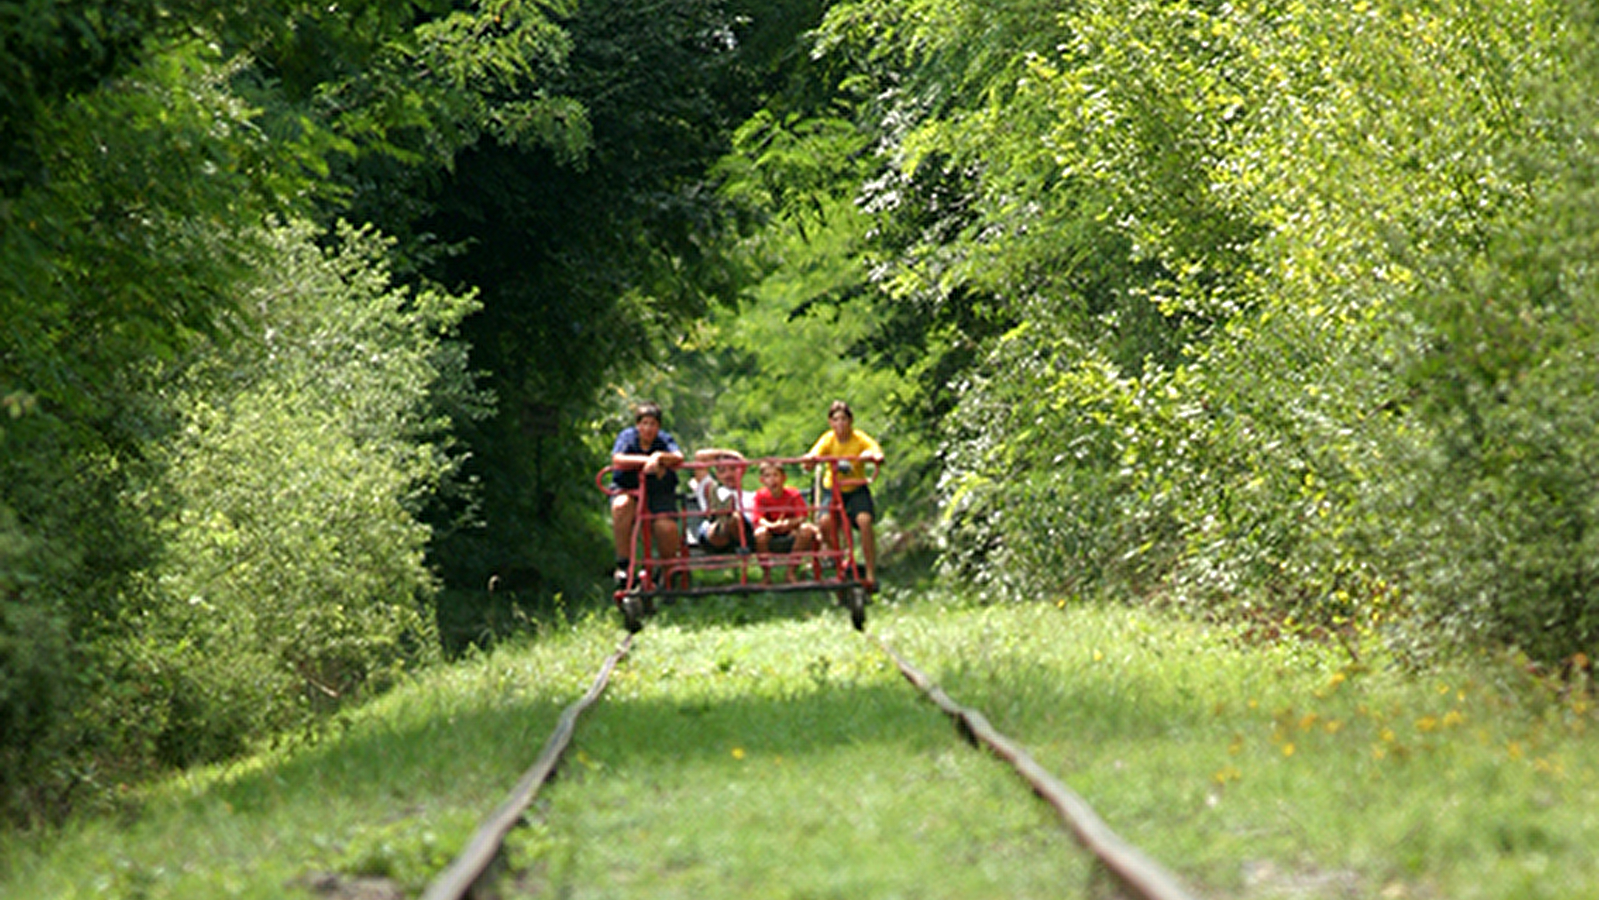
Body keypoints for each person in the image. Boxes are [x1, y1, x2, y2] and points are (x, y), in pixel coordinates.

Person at [802, 400, 884, 589]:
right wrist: (810, 460)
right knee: (824, 522)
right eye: (836, 419)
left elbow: (874, 449)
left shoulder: (858, 438)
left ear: (850, 421)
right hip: (834, 488)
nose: (840, 424)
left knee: (864, 521)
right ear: (830, 422)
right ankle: (842, 559)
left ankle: (870, 572)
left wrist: (871, 456)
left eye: (844, 419)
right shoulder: (828, 439)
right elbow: (813, 454)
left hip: (855, 488)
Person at [610, 402, 683, 587]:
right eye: (644, 423)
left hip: (659, 493)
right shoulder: (627, 438)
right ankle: (624, 566)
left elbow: (679, 457)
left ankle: (668, 572)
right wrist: (647, 462)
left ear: (658, 427)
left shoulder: (664, 441)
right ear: (637, 425)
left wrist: (658, 457)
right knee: (620, 506)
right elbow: (618, 458)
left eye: (652, 424)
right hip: (629, 490)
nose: (648, 428)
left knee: (666, 527)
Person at [752, 460, 821, 583]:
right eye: (768, 476)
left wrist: (789, 524)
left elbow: (802, 517)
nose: (772, 480)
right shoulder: (760, 495)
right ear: (762, 480)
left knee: (806, 530)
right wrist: (772, 525)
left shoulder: (793, 494)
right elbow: (759, 518)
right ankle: (766, 574)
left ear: (784, 478)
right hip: (771, 531)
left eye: (775, 475)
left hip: (791, 530)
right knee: (759, 534)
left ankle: (791, 572)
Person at [688, 447, 756, 553]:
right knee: (715, 523)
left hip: (742, 533)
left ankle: (726, 516)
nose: (728, 474)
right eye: (722, 471)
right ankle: (721, 519)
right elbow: (700, 457)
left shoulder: (752, 496)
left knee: (736, 517)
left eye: (733, 469)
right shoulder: (711, 489)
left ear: (741, 471)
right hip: (715, 535)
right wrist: (732, 453)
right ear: (717, 475)